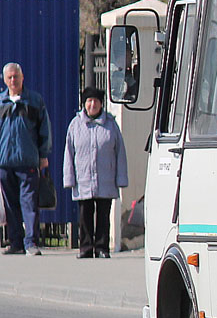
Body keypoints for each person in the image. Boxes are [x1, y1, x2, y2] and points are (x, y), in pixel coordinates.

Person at [63, 87, 128, 258]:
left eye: (96, 101)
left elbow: (120, 152)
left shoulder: (111, 125)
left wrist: (121, 178)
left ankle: (102, 248)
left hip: (106, 178)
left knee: (103, 215)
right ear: (84, 104)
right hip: (83, 178)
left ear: (101, 104)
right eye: (89, 101)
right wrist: (69, 178)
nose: (92, 104)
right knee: (85, 215)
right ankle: (85, 247)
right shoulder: (75, 125)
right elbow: (69, 153)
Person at [0, 62, 52, 255]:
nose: (13, 80)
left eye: (16, 76)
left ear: (23, 78)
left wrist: (43, 155)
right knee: (10, 205)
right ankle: (16, 243)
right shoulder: (1, 102)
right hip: (5, 162)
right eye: (10, 77)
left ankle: (31, 242)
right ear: (5, 80)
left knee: (29, 203)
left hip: (28, 161)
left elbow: (44, 130)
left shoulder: (34, 101)